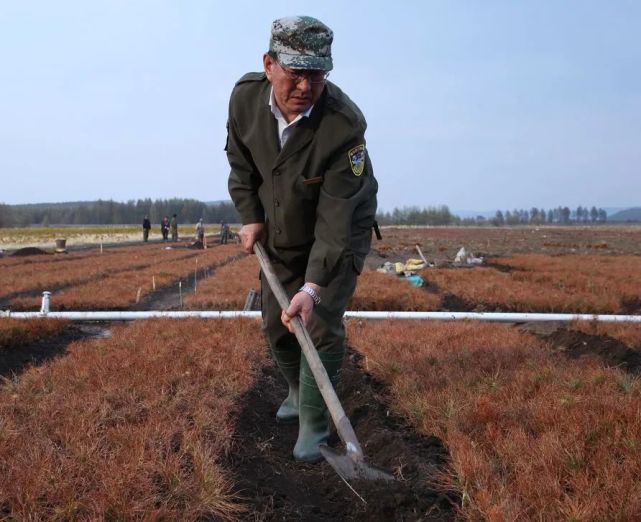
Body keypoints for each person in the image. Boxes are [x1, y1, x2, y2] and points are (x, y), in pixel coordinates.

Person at [226, 16, 378, 463]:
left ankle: (315, 425)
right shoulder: (244, 99)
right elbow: (241, 162)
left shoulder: (343, 125)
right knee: (277, 323)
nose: (306, 86)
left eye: (317, 74)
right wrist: (251, 217)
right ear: (269, 64)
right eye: (296, 73)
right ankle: (296, 392)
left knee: (318, 321)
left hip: (339, 227)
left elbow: (335, 219)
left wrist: (312, 288)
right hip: (280, 222)